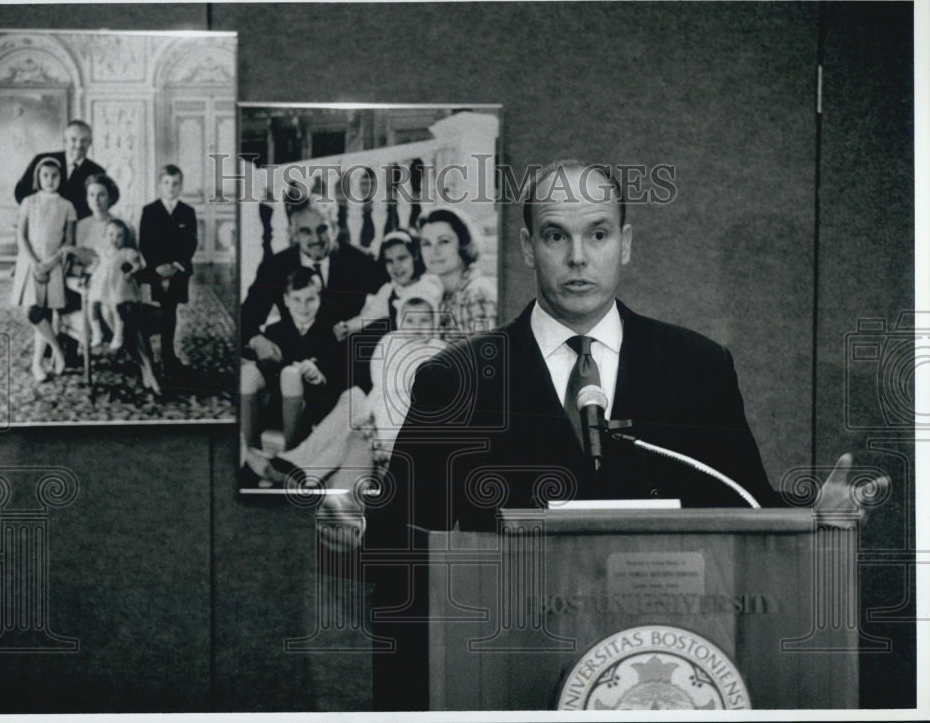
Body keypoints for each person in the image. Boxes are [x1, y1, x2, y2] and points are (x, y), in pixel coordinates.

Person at [359, 160, 890, 710]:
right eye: (555, 235)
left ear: (626, 243)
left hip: (664, 676)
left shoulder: (695, 367)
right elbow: (399, 551)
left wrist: (811, 520)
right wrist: (354, 531)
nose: (578, 257)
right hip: (511, 681)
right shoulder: (457, 379)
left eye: (598, 234)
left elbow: (744, 507)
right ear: (525, 247)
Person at [257, 279, 447, 491]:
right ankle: (298, 466)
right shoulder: (392, 341)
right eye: (410, 321)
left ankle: (304, 473)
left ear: (435, 322)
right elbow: (381, 377)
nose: (417, 328)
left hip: (405, 419)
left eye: (425, 321)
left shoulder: (439, 350)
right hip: (382, 406)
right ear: (401, 321)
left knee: (353, 429)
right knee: (354, 399)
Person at [240, 192, 385, 465]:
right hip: (289, 365)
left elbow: (393, 300)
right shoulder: (276, 266)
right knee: (254, 379)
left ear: (336, 226)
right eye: (305, 231)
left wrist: (358, 327)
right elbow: (246, 316)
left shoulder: (360, 260)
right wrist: (256, 338)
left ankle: (298, 460)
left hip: (341, 371)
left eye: (322, 229)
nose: (315, 239)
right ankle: (256, 459)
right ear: (293, 233)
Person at [240, 267, 347, 484]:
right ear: (286, 301)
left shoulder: (332, 333)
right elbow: (258, 361)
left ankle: (287, 462)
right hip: (279, 406)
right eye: (296, 299)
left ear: (320, 300)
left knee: (290, 374)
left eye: (310, 300)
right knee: (248, 373)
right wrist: (255, 347)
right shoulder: (274, 332)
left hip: (315, 409)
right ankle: (250, 457)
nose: (303, 307)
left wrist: (320, 372)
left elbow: (341, 372)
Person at [10, 157, 77, 384]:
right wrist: (35, 263)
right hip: (30, 262)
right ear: (38, 177)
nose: (50, 180)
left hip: (53, 263)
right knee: (32, 311)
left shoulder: (67, 206)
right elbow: (21, 236)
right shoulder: (29, 202)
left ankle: (37, 363)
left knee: (45, 314)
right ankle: (58, 351)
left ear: (61, 178)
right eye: (45, 175)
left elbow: (68, 241)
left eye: (55, 175)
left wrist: (49, 263)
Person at [138, 164, 198, 377]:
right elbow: (145, 242)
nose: (171, 188)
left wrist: (175, 266)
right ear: (159, 185)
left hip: (178, 270)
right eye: (166, 183)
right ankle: (148, 354)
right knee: (157, 311)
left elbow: (191, 243)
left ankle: (167, 354)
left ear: (180, 186)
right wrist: (158, 266)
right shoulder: (150, 211)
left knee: (170, 311)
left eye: (175, 184)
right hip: (156, 269)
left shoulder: (187, 212)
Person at [334, 229, 442, 338]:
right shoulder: (389, 290)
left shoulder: (431, 287)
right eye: (390, 261)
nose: (396, 267)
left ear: (415, 256)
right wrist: (347, 327)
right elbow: (369, 316)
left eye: (402, 258)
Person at [101, 219, 160, 396]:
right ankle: (146, 368)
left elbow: (138, 263)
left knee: (131, 321)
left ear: (125, 239)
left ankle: (148, 370)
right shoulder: (102, 254)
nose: (114, 239)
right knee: (124, 320)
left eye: (119, 236)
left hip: (127, 299)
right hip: (105, 301)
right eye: (110, 235)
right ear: (104, 236)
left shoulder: (127, 252)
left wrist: (132, 271)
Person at [418, 206, 497, 339]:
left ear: (464, 243)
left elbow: (487, 356)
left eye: (443, 241)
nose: (434, 251)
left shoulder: (475, 296)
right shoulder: (445, 295)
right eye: (426, 243)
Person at [14, 120, 105, 220]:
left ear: (90, 143)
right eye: (73, 140)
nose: (78, 145)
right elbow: (20, 192)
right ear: (65, 141)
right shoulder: (42, 160)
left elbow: (97, 205)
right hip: (39, 223)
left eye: (84, 140)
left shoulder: (97, 171)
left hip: (76, 228)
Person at [72, 174, 121, 347]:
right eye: (91, 194)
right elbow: (75, 261)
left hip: (114, 283)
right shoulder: (81, 226)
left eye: (101, 195)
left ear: (110, 197)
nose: (96, 200)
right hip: (87, 283)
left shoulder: (120, 226)